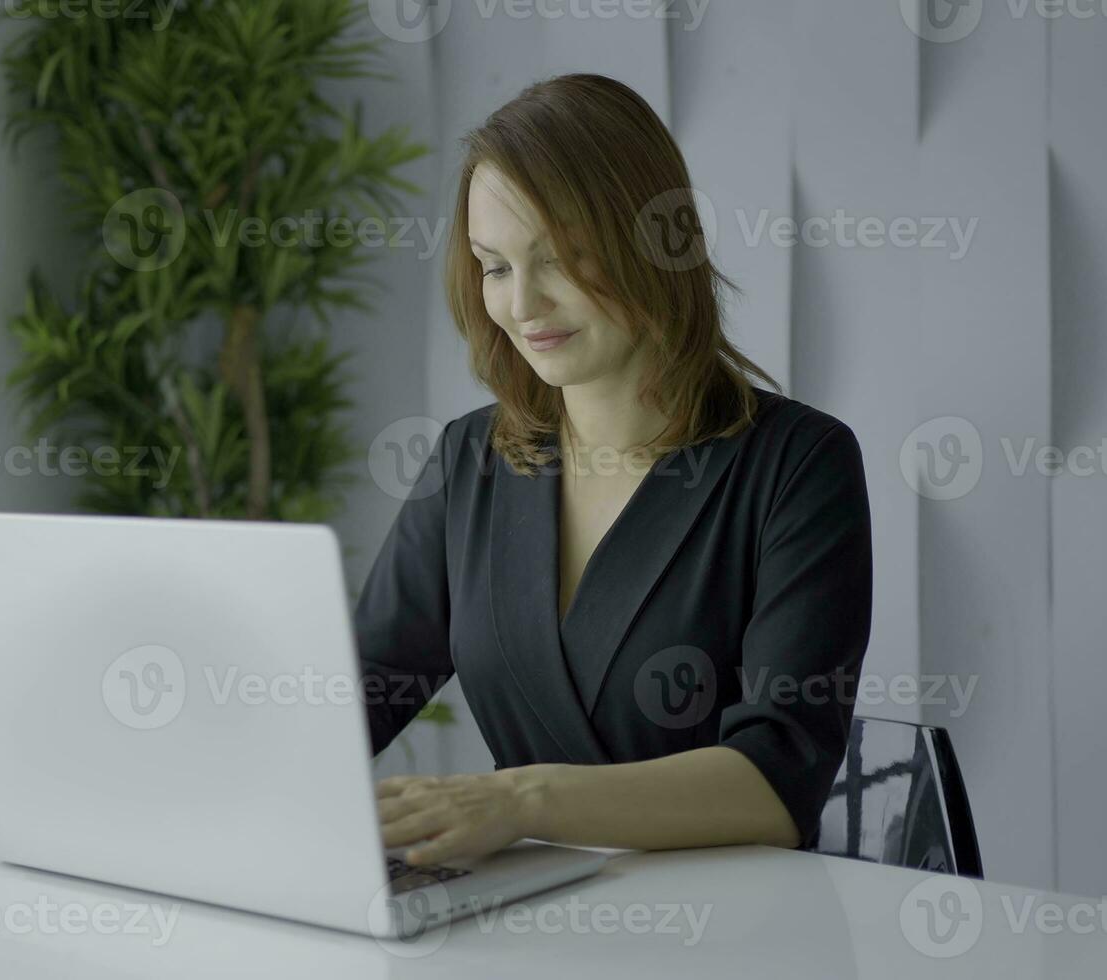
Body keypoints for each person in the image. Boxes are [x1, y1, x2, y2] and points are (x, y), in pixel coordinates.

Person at [357, 73, 873, 867]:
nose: (522, 303)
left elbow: (778, 780)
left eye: (560, 259)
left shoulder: (798, 466)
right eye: (494, 266)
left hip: (736, 927)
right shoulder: (470, 459)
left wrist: (519, 800)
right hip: (528, 920)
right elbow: (360, 691)